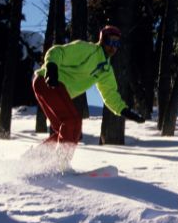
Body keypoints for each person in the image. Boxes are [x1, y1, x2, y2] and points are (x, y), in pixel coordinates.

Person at [31, 25, 145, 170]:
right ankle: (60, 166)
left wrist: (125, 111)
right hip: (48, 82)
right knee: (73, 122)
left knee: (69, 131)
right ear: (103, 40)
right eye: (111, 42)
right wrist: (52, 67)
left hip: (56, 89)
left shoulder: (106, 70)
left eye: (117, 44)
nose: (113, 47)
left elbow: (110, 94)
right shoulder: (87, 50)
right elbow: (57, 51)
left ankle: (33, 160)